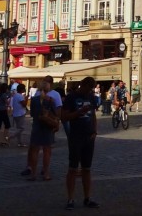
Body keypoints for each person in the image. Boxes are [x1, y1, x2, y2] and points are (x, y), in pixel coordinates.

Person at [63, 76, 100, 210]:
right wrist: (79, 112)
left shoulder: (90, 96)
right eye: (88, 88)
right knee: (73, 168)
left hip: (89, 136)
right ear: (82, 85)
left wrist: (95, 131)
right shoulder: (71, 97)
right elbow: (64, 116)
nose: (89, 91)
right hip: (76, 136)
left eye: (91, 89)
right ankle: (70, 198)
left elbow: (93, 114)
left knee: (87, 168)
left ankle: (87, 197)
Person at [23, 80, 60, 181]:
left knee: (35, 150)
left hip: (37, 126)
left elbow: (32, 114)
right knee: (47, 151)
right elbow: (55, 114)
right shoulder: (51, 100)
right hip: (48, 127)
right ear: (48, 89)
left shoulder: (34, 100)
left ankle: (33, 174)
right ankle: (46, 173)